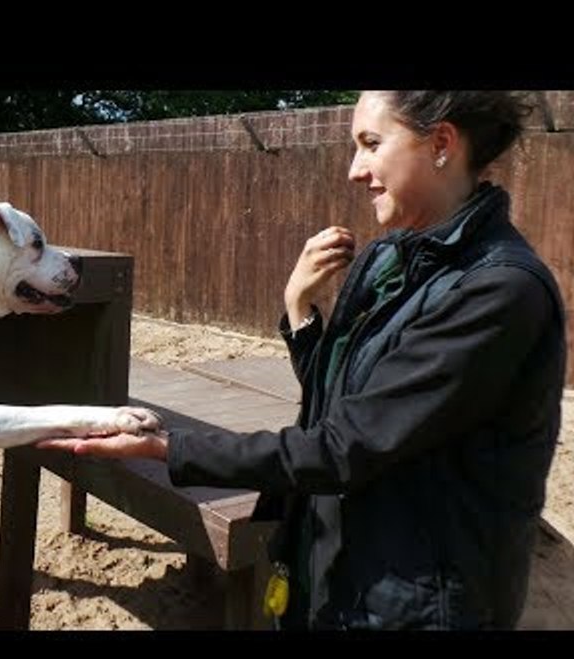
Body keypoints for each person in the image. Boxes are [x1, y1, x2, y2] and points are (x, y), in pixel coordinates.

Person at [39, 91, 568, 630]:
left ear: (441, 143)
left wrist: (170, 447)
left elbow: (346, 445)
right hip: (344, 568)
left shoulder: (499, 292)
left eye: (370, 144)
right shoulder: (390, 256)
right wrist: (300, 312)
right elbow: (339, 406)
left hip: (419, 601)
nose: (353, 170)